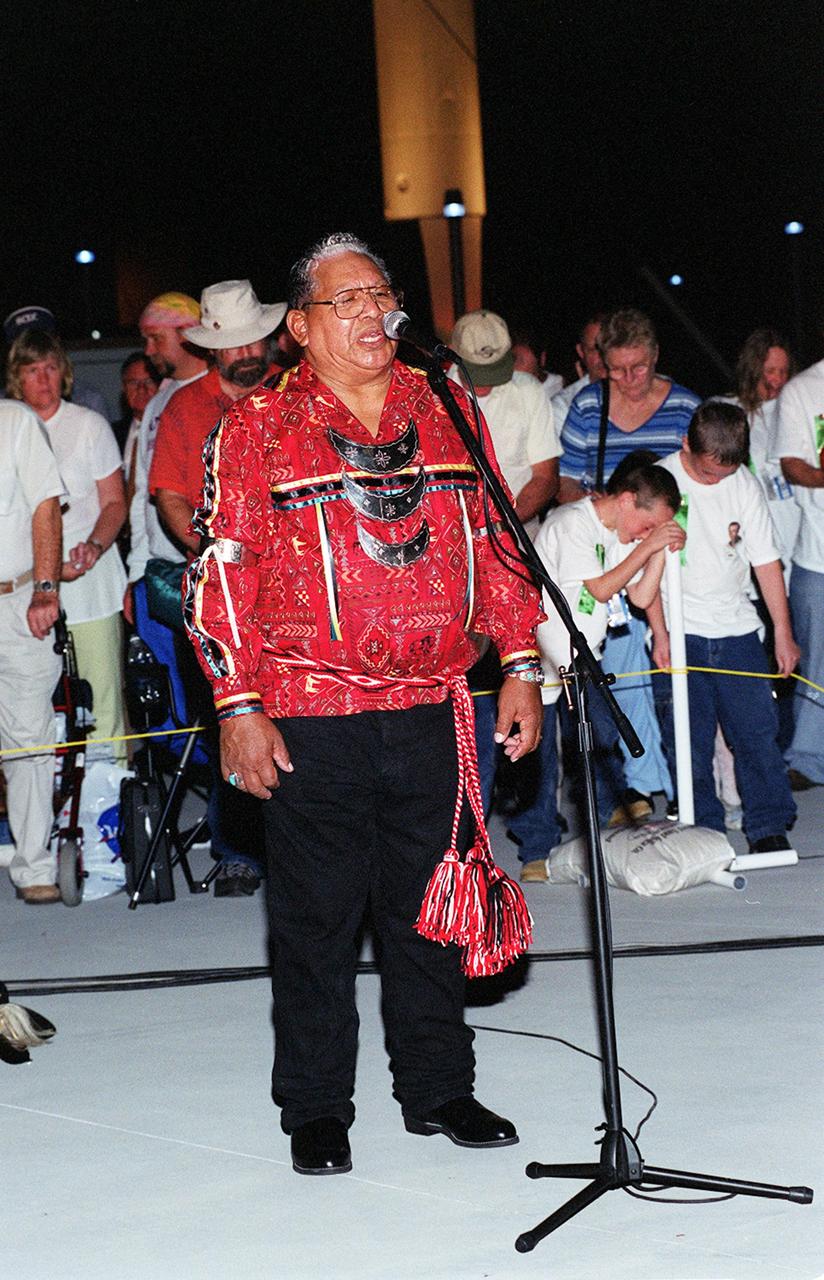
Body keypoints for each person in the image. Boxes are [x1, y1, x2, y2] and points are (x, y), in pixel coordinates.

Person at [184, 232, 544, 1176]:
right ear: (298, 326)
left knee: (429, 910)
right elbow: (223, 570)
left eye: (378, 294)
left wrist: (522, 664)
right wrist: (238, 703)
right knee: (316, 923)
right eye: (343, 301)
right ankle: (316, 1105)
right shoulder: (256, 426)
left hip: (433, 706)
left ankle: (437, 1088)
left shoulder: (449, 406)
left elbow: (505, 546)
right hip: (308, 714)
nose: (368, 313)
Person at [149, 280, 287, 897]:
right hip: (221, 587)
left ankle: (300, 843)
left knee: (299, 715)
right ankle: (237, 850)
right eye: (232, 346)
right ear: (212, 351)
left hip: (292, 583)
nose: (246, 352)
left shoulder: (295, 391)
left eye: (254, 338)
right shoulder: (185, 407)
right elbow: (169, 494)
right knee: (227, 713)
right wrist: (206, 549)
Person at [558, 308, 702, 822]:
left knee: (674, 678)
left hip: (673, 556)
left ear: (655, 356)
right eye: (615, 370)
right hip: (611, 556)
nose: (626, 380)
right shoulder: (588, 405)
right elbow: (565, 486)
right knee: (620, 678)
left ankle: (684, 784)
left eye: (637, 368)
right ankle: (633, 789)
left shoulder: (686, 405)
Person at [514, 461, 684, 881]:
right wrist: (648, 546)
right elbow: (601, 588)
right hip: (543, 658)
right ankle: (538, 849)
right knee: (542, 756)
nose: (645, 533)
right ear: (626, 500)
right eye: (647, 523)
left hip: (584, 656)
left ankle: (609, 825)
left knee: (600, 742)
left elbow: (641, 594)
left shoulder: (619, 533)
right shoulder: (574, 522)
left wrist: (658, 551)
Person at [649, 401, 798, 850]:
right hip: (681, 629)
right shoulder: (659, 483)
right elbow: (642, 567)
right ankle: (703, 830)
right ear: (685, 446)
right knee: (688, 739)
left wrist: (783, 633)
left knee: (755, 734)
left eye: (726, 473)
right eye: (709, 473)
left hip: (736, 629)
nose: (718, 481)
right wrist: (660, 633)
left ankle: (769, 825)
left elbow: (766, 562)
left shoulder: (743, 484)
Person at [448, 308, 561, 814]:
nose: (489, 388)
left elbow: (545, 475)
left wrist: (503, 523)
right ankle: (471, 824)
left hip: (516, 547)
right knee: (469, 692)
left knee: (533, 682)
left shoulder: (530, 392)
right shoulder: (433, 393)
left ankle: (537, 830)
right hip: (455, 563)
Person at [7, 330, 128, 765]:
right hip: (26, 590)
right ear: (17, 379)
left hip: (88, 583)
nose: (44, 379)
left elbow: (115, 501)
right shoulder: (11, 430)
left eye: (52, 368)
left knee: (102, 699)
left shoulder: (88, 425)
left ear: (65, 373)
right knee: (34, 705)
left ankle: (112, 799)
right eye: (33, 370)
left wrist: (94, 546)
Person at [0, 401, 64, 903]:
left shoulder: (15, 421)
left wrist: (46, 588)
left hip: (15, 599)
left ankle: (34, 864)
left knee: (27, 736)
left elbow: (46, 505)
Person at [768, 346, 824, 790]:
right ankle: (807, 757)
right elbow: (791, 464)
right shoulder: (804, 390)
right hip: (817, 554)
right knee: (817, 662)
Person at [3, 306, 111, 421]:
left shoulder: (89, 402)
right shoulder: (4, 409)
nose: (42, 378)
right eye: (32, 369)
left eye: (43, 341)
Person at [550, 312, 608, 437]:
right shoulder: (564, 406)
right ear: (581, 352)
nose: (603, 356)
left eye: (608, 347)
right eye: (594, 349)